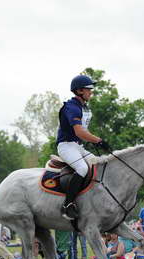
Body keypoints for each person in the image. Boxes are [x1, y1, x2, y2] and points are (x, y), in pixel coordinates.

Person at [56, 75, 109, 221]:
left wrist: (97, 142)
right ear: (79, 91)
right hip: (66, 146)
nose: (91, 92)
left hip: (78, 147)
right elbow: (79, 132)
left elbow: (83, 133)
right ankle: (68, 204)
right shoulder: (72, 107)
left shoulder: (83, 107)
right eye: (89, 89)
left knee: (99, 164)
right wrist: (98, 141)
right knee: (82, 169)